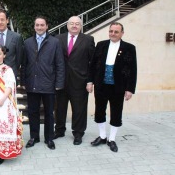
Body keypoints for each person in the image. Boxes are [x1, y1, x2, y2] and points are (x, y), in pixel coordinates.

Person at [88, 22, 137, 152]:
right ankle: (103, 136)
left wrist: (130, 89)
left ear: (122, 33)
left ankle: (112, 139)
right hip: (101, 85)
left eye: (116, 31)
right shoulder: (101, 45)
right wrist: (90, 81)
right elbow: (92, 65)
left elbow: (133, 70)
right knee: (99, 111)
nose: (113, 34)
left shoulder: (129, 48)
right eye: (111, 31)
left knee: (116, 113)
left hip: (118, 87)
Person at [21, 16, 65, 150]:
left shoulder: (55, 42)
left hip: (48, 84)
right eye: (37, 25)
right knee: (33, 112)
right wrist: (23, 81)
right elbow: (24, 63)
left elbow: (60, 64)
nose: (39, 27)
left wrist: (59, 83)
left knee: (49, 113)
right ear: (34, 27)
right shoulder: (27, 42)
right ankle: (34, 137)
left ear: (47, 26)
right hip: (32, 83)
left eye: (42, 25)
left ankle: (49, 138)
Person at [54, 16, 95, 145]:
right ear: (67, 25)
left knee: (79, 109)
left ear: (81, 26)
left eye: (77, 24)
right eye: (72, 23)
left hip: (80, 82)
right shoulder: (58, 39)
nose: (74, 26)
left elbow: (92, 62)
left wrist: (90, 81)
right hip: (61, 81)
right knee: (59, 107)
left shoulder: (88, 40)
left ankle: (78, 133)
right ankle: (59, 130)